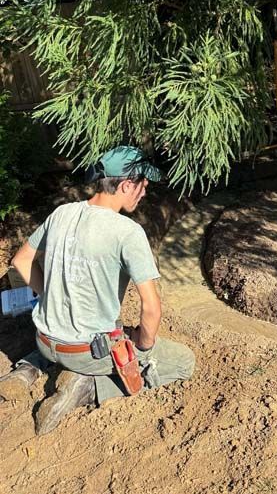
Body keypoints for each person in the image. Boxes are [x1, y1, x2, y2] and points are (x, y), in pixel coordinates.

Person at [0, 145, 195, 434]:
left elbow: (21, 261)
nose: (145, 192)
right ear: (127, 184)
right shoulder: (127, 232)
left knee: (68, 333)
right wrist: (143, 347)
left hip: (44, 339)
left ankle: (28, 368)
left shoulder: (61, 214)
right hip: (86, 353)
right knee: (183, 362)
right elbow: (151, 308)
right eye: (143, 185)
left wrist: (49, 295)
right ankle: (86, 387)